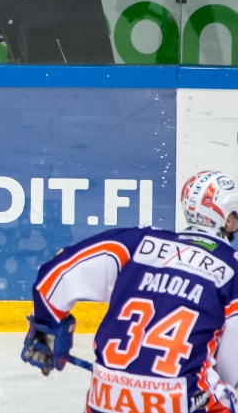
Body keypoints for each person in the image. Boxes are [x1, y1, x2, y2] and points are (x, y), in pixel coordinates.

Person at [22, 170, 238, 412]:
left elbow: (53, 276)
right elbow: (232, 370)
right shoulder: (233, 267)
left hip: (105, 399)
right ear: (228, 221)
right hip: (179, 402)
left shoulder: (137, 240)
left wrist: (45, 333)